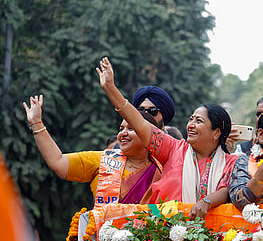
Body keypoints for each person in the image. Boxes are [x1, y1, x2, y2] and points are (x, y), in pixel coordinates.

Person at [97, 57, 237, 219]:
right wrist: (110, 88)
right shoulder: (173, 148)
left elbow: (225, 190)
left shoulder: (230, 162)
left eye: (199, 121)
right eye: (191, 119)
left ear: (217, 132)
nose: (190, 125)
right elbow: (139, 123)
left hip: (208, 237)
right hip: (158, 233)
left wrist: (206, 202)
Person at [24, 95, 162, 208]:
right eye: (121, 129)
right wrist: (36, 124)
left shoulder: (163, 169)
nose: (123, 134)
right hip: (101, 239)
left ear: (147, 135)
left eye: (131, 129)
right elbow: (58, 161)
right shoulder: (103, 160)